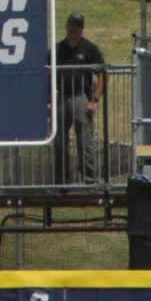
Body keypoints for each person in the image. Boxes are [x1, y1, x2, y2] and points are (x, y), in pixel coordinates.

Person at [55, 13, 107, 184]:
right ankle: (62, 181)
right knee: (59, 142)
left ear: (82, 28)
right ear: (66, 26)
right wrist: (49, 99)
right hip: (61, 98)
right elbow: (46, 73)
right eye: (71, 24)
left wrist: (95, 99)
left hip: (81, 98)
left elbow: (102, 74)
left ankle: (90, 180)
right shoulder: (57, 49)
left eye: (77, 25)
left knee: (85, 142)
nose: (74, 28)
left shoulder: (90, 48)